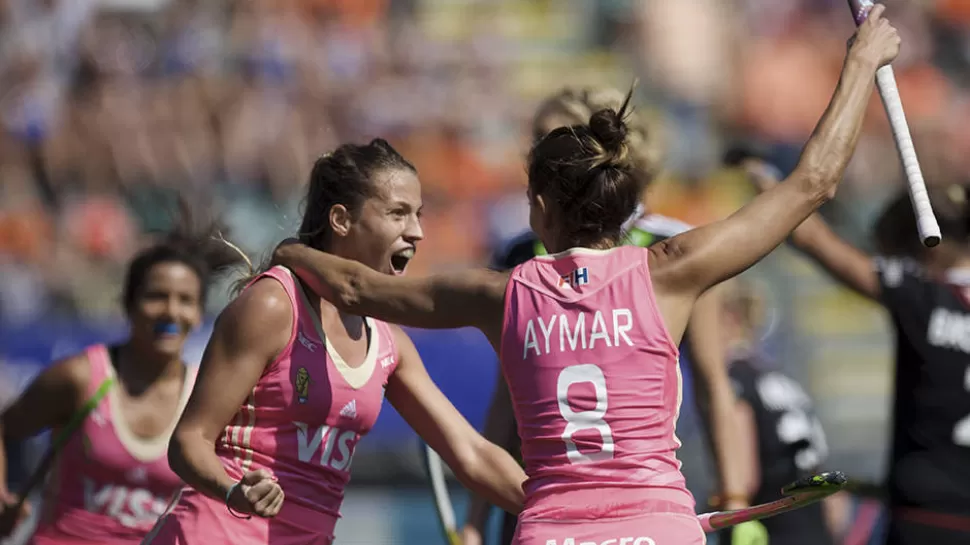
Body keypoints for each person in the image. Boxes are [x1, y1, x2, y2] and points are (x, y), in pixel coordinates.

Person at [271, 9, 900, 543]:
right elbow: (814, 182)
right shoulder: (671, 272)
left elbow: (354, 287)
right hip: (660, 525)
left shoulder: (499, 292)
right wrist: (860, 61)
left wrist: (290, 253)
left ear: (540, 208)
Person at [143, 139, 526, 545]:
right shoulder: (274, 305)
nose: (416, 232)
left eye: (418, 215)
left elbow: (472, 454)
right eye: (398, 213)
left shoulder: (388, 343)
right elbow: (189, 441)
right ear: (341, 220)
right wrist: (235, 491)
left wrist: (563, 506)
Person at [466, 86, 752, 545]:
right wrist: (476, 517)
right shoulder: (518, 255)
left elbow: (712, 382)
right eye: (536, 143)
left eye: (551, 139)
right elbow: (507, 396)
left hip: (636, 488)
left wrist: (735, 500)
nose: (539, 155)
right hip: (536, 496)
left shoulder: (669, 249)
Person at [741, 153, 970, 543]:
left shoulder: (925, 297)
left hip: (925, 512)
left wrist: (770, 185)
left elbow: (813, 239)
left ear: (927, 249)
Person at [0, 201, 246, 545]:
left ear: (199, 313)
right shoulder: (80, 379)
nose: (171, 312)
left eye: (185, 300)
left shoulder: (204, 401)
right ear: (129, 304)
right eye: (156, 296)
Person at [717, 277, 848, 545]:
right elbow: (835, 501)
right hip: (815, 529)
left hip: (772, 532)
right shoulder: (782, 380)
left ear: (729, 318)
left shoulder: (733, 381)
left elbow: (743, 477)